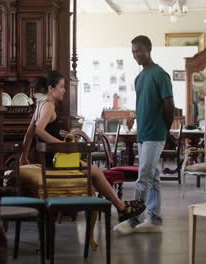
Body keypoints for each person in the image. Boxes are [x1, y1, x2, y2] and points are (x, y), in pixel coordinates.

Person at [19, 71, 145, 222]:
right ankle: (121, 207)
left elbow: (29, 133)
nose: (64, 90)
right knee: (97, 172)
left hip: (50, 159)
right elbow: (39, 129)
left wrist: (23, 156)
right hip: (57, 161)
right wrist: (61, 145)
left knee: (95, 172)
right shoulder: (49, 107)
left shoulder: (40, 105)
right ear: (51, 88)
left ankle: (120, 206)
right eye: (62, 86)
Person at [114, 36, 174, 235]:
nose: (136, 54)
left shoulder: (161, 75)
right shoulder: (139, 78)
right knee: (153, 177)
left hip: (155, 134)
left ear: (149, 49)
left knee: (143, 177)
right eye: (133, 51)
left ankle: (132, 220)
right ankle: (155, 220)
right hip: (143, 133)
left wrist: (165, 129)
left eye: (139, 50)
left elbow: (169, 105)